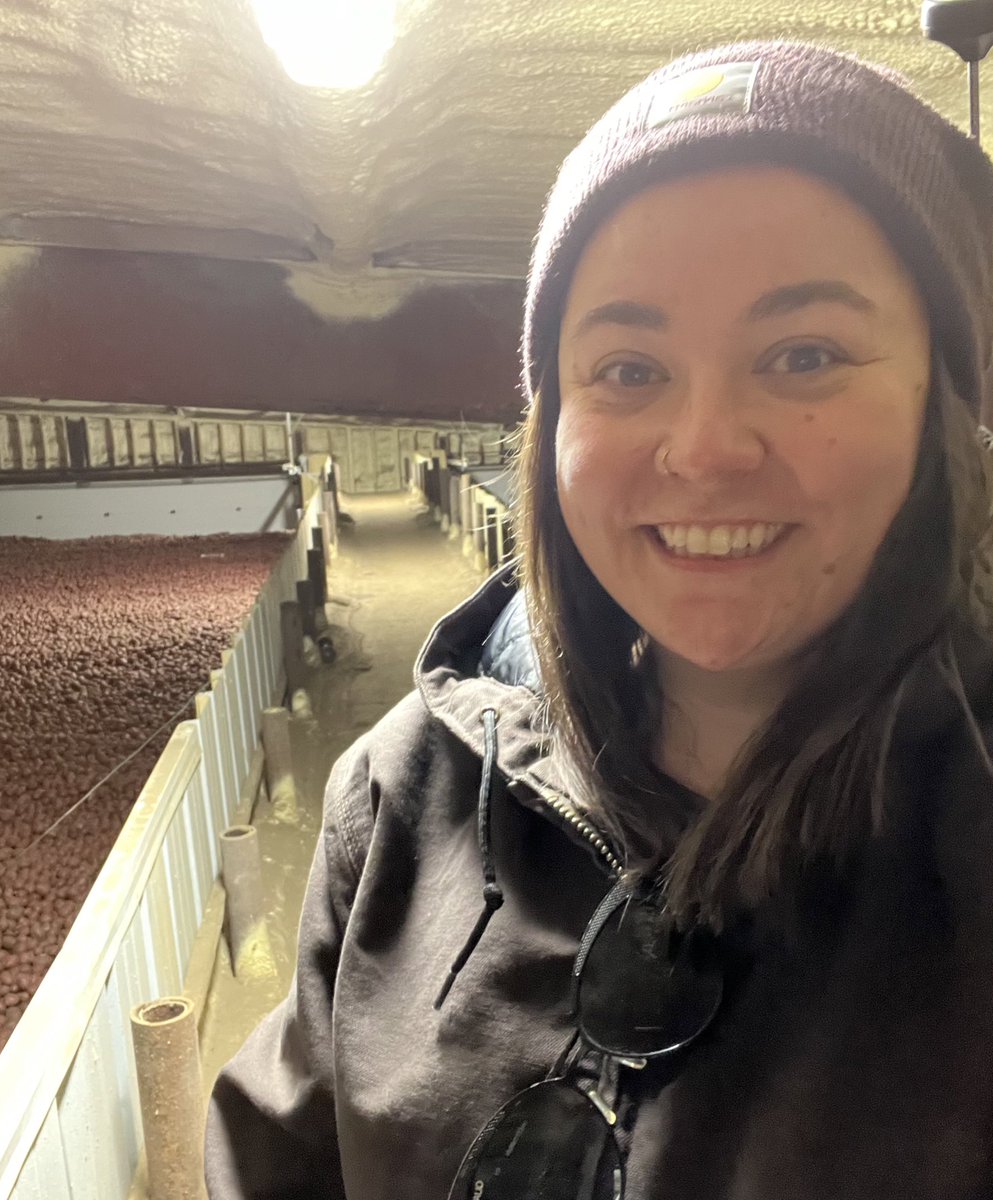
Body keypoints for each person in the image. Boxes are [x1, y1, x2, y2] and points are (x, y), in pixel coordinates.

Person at [205, 40, 993, 1200]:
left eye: (803, 354)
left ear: (947, 404)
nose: (704, 449)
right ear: (552, 425)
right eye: (627, 369)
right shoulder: (403, 794)